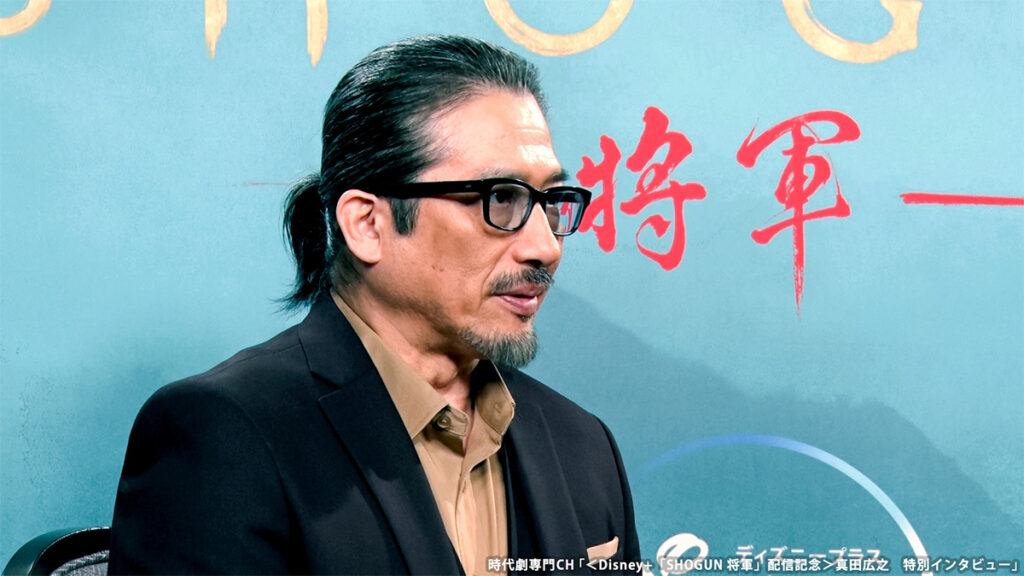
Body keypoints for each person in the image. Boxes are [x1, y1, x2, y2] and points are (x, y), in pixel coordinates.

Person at [109, 34, 640, 574]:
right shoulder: (228, 437)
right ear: (367, 224)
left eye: (551, 202)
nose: (546, 246)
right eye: (501, 198)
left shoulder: (583, 446)